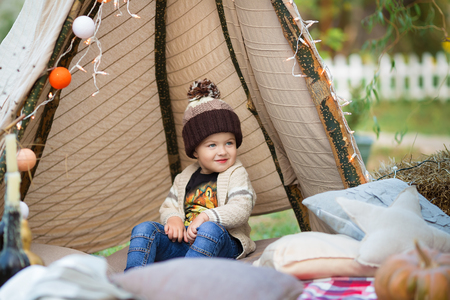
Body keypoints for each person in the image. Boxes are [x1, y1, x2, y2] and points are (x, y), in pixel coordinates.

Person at [125, 79, 256, 270]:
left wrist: (206, 217)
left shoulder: (236, 172)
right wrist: (173, 219)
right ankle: (131, 282)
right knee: (144, 229)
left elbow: (241, 209)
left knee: (209, 229)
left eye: (229, 143)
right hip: (186, 246)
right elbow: (168, 206)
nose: (222, 151)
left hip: (224, 242)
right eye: (212, 145)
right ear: (195, 151)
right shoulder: (184, 176)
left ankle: (183, 279)